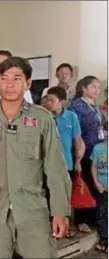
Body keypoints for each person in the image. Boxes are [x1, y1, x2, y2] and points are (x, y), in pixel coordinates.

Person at [0, 57, 71, 258]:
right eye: (4, 78)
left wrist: (60, 211)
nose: (10, 84)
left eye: (17, 78)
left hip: (33, 210)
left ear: (28, 83)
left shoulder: (42, 118)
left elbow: (55, 167)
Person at [44, 86, 85, 238]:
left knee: (65, 197)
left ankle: (65, 227)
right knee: (48, 196)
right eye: (46, 100)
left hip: (66, 163)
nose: (48, 103)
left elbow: (77, 140)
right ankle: (49, 227)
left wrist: (78, 161)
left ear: (61, 102)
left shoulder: (71, 117)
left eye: (51, 100)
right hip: (45, 165)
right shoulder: (44, 116)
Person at [68, 76, 102, 233]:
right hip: (84, 152)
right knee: (84, 184)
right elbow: (74, 131)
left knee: (96, 185)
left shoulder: (94, 106)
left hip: (97, 151)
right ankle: (82, 220)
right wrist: (78, 155)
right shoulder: (77, 106)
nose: (97, 90)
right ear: (84, 88)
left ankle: (95, 217)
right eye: (94, 86)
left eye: (98, 87)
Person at [91, 123, 108, 253]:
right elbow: (94, 167)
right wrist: (97, 183)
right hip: (102, 188)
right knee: (102, 214)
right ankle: (104, 240)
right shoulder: (98, 148)